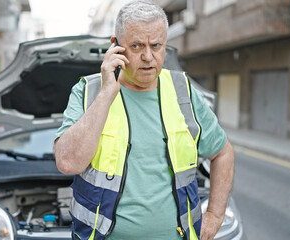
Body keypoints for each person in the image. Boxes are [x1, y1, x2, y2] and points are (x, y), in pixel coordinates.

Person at [54, 1, 234, 239]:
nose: (148, 56)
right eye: (137, 45)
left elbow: (223, 153)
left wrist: (214, 217)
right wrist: (107, 92)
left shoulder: (183, 91)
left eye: (156, 45)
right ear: (116, 46)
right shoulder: (89, 91)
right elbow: (68, 162)